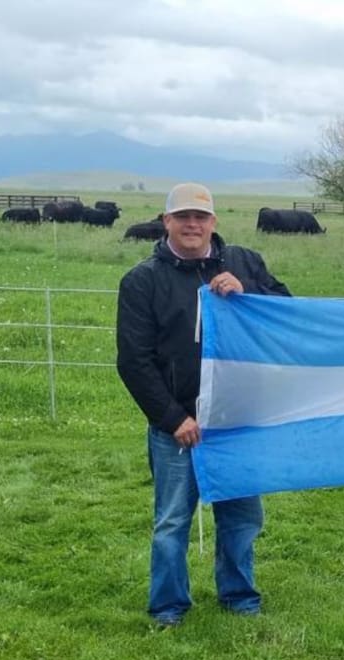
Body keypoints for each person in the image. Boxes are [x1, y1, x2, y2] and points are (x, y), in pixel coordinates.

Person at [116, 182, 291, 627]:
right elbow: (133, 361)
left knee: (242, 516)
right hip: (180, 427)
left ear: (214, 222)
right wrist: (173, 417)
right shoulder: (142, 281)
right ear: (166, 221)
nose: (192, 224)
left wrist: (248, 291)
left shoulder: (246, 263)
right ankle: (169, 606)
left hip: (238, 420)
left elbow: (287, 314)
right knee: (172, 521)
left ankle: (239, 596)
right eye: (182, 217)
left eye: (201, 217)